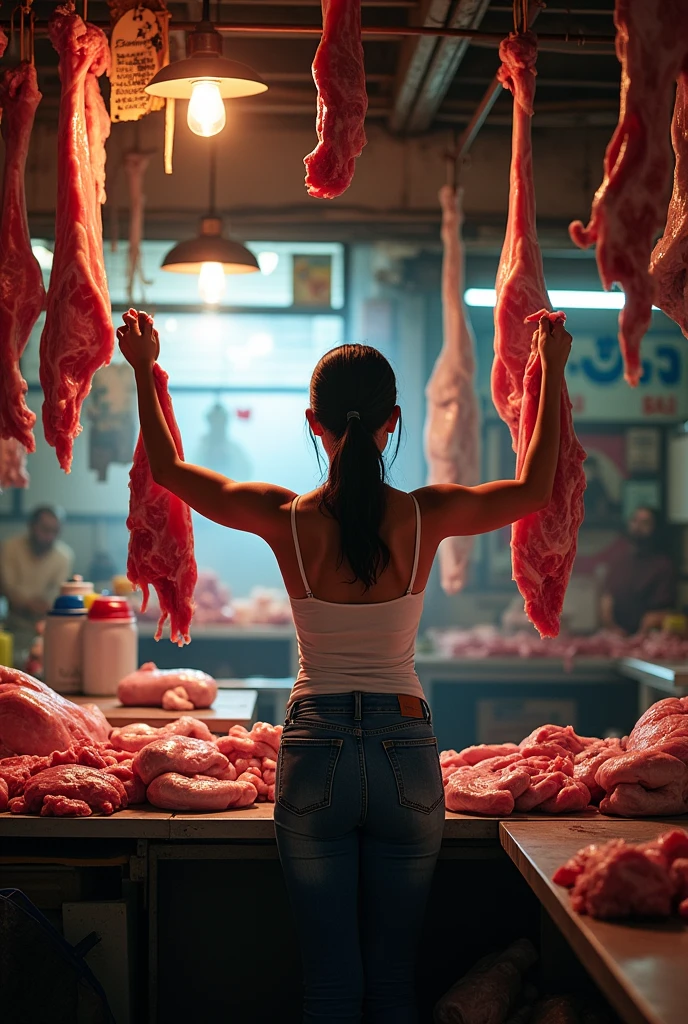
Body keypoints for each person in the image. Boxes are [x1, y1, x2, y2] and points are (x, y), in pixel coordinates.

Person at [118, 306, 571, 1024]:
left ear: (312, 422)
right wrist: (550, 368)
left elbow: (170, 470)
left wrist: (143, 368)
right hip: (406, 751)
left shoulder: (284, 517)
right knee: (394, 982)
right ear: (394, 421)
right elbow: (535, 490)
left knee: (330, 985)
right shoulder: (427, 514)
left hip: (315, 749)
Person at [0, 506, 74, 665]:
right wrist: (30, 603)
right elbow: (8, 587)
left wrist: (32, 603)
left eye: (55, 531)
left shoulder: (64, 556)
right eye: (45, 529)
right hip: (14, 625)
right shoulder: (10, 547)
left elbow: (56, 594)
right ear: (31, 526)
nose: (49, 536)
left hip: (47, 627)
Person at [601, 506, 676, 635]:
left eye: (645, 523)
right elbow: (607, 599)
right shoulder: (618, 562)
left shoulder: (663, 566)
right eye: (634, 521)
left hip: (650, 637)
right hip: (617, 635)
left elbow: (665, 612)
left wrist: (642, 634)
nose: (637, 527)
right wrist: (610, 624)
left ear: (655, 529)